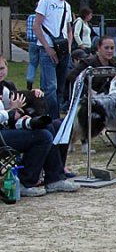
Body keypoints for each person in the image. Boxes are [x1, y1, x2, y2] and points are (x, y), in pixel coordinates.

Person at [1, 57, 79, 197]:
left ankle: (54, 178)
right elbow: (8, 114)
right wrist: (12, 111)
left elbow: (20, 107)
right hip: (2, 133)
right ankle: (26, 181)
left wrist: (33, 96)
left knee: (51, 125)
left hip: (10, 127)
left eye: (2, 68)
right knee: (43, 136)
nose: (0, 72)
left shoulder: (8, 86)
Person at [33, 0, 74, 121]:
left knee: (60, 88)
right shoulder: (46, 1)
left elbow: (69, 29)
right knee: (50, 87)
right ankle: (52, 118)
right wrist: (47, 48)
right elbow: (36, 26)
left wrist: (69, 47)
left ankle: (55, 117)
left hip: (63, 49)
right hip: (47, 48)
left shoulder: (67, 6)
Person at [25, 13, 40, 90]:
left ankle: (29, 80)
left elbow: (27, 28)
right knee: (44, 64)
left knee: (32, 63)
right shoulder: (43, 17)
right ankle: (43, 83)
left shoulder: (30, 17)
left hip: (31, 42)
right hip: (41, 42)